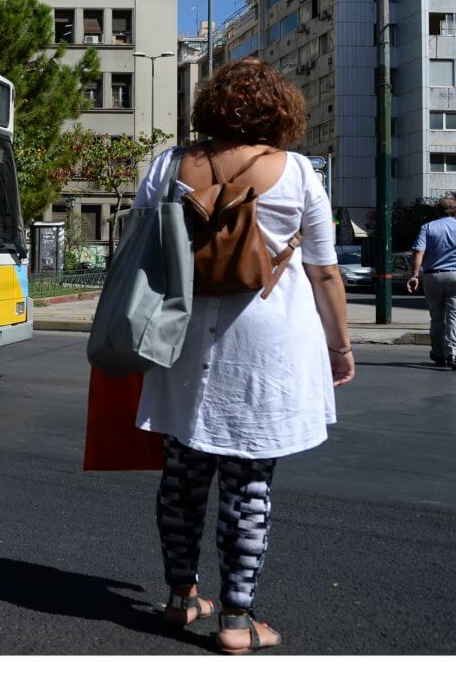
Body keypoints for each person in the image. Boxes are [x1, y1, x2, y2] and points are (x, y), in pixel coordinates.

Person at [131, 57, 355, 654]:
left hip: (179, 339)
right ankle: (236, 619)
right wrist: (341, 345)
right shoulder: (299, 171)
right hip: (268, 347)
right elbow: (326, 270)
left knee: (181, 478)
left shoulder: (166, 165)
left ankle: (182, 598)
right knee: (248, 485)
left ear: (210, 105)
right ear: (280, 109)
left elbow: (136, 251)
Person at [405, 196, 456, 371]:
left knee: (437, 316)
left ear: (437, 211)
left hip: (433, 276)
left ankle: (438, 352)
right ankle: (453, 353)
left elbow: (418, 252)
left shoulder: (428, 227)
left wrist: (414, 275)